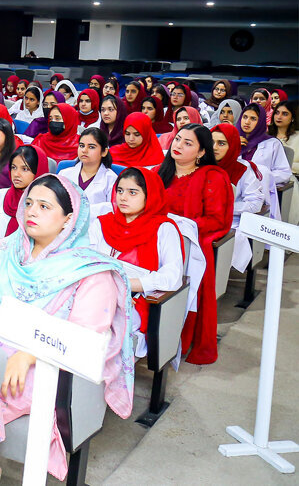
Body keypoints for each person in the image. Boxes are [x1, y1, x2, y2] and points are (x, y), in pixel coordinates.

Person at [0, 174, 134, 481]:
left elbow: (85, 338)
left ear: (69, 219)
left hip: (42, 361)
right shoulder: (3, 250)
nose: (31, 212)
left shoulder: (90, 274)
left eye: (44, 206)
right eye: (29, 203)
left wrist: (28, 353)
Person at [157, 124, 232, 364]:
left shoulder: (212, 177)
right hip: (156, 238)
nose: (177, 145)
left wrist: (179, 226)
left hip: (188, 243)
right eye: (177, 139)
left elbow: (216, 219)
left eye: (187, 143)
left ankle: (172, 340)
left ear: (201, 153)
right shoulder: (162, 172)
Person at [91, 167, 185, 336]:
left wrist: (125, 283)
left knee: (97, 322)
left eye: (132, 192)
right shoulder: (102, 223)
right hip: (95, 291)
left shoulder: (163, 229)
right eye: (120, 191)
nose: (123, 197)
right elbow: (86, 261)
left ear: (149, 196)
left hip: (136, 300)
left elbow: (173, 275)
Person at [0, 146, 50, 240]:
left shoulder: (45, 207)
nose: (16, 174)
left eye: (24, 169)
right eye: (13, 167)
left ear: (38, 171)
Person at [210, 124, 268, 228]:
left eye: (221, 143)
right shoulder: (200, 164)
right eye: (211, 142)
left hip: (232, 226)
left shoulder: (242, 169)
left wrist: (225, 208)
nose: (214, 147)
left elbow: (255, 203)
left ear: (232, 145)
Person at [59, 127, 118, 207]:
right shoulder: (64, 174)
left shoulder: (111, 179)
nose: (84, 150)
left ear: (104, 152)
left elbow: (112, 209)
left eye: (91, 147)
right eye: (82, 146)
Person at [238, 104, 291, 185]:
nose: (247, 122)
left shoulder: (273, 143)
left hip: (261, 190)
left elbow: (284, 173)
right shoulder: (231, 140)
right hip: (234, 190)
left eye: (253, 119)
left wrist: (260, 178)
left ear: (260, 122)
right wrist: (234, 146)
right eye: (245, 117)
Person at [269, 100, 299, 174]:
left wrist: (283, 167)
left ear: (292, 118)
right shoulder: (266, 137)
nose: (279, 117)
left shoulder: (297, 138)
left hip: (292, 180)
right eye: (277, 113)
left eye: (285, 114)